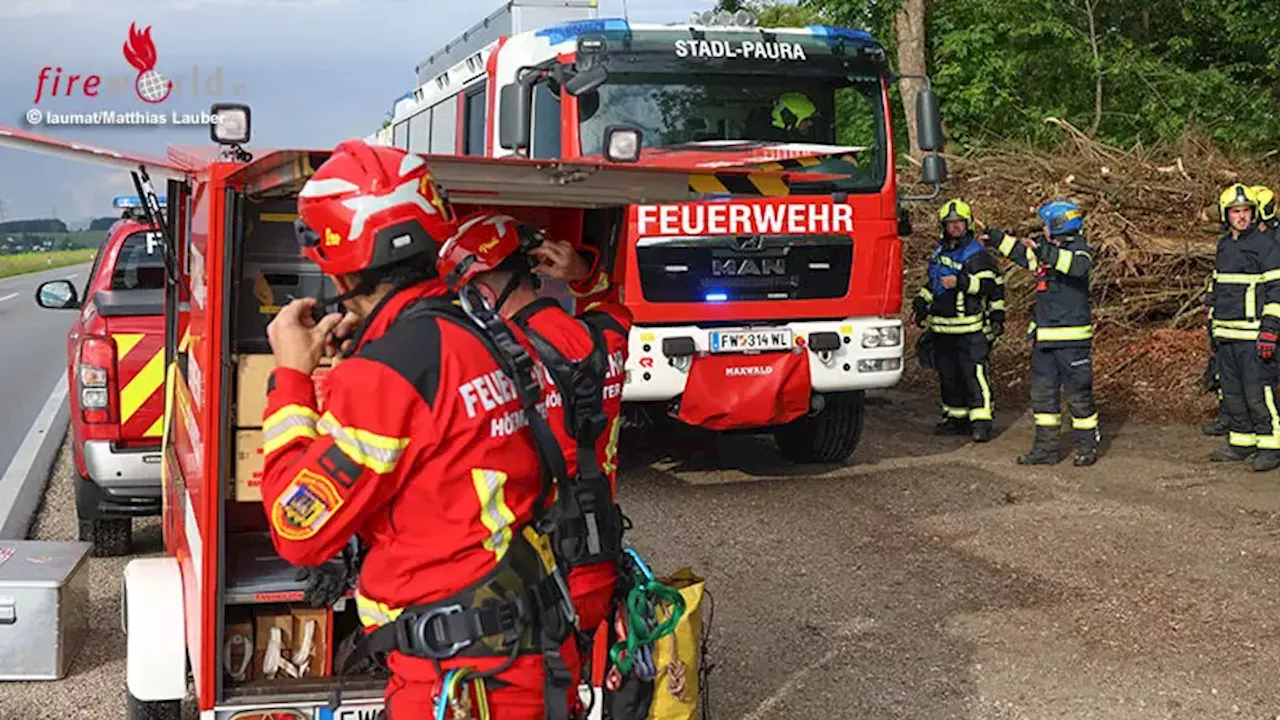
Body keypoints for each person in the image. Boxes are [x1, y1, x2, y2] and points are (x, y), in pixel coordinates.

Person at [260, 140, 576, 720]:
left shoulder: (389, 371)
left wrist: (289, 377)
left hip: (457, 678)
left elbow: (298, 529)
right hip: (521, 654)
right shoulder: (483, 332)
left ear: (334, 258)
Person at [437, 210, 632, 701]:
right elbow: (613, 306)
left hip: (532, 579)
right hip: (597, 564)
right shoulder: (604, 339)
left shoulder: (488, 361)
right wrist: (582, 278)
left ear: (481, 293)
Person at [984, 199, 1100, 466]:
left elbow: (1075, 266)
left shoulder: (1080, 251)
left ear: (1058, 225)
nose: (1043, 229)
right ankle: (1046, 449)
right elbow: (1020, 253)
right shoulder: (1048, 250)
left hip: (1072, 341)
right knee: (1043, 397)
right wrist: (997, 238)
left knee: (1079, 396)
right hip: (1044, 340)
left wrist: (1043, 249)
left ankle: (1086, 447)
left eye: (1046, 225)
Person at [1203, 183, 1280, 471]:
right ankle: (1241, 441)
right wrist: (1211, 321)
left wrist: (1271, 329)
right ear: (1226, 215)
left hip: (1253, 335)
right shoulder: (1224, 245)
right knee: (1232, 393)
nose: (1241, 217)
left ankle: (1271, 446)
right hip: (1226, 333)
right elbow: (1217, 285)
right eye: (1235, 212)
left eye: (1245, 211)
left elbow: (1277, 290)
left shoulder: (1266, 246)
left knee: (1259, 392)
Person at [911, 199, 1002, 442]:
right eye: (951, 224)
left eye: (959, 223)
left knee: (974, 376)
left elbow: (988, 285)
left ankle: (981, 422)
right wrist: (921, 304)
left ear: (968, 224)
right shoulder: (940, 253)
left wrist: (961, 282)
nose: (955, 227)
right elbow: (933, 284)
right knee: (948, 376)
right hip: (941, 327)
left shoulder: (976, 254)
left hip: (970, 329)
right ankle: (955, 418)